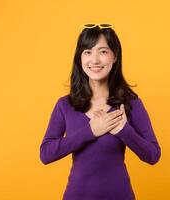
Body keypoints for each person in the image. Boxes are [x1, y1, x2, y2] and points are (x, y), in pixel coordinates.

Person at [39, 23, 161, 200]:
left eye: (103, 51)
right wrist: (91, 131)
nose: (94, 60)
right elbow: (46, 154)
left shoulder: (130, 103)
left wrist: (123, 130)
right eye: (87, 52)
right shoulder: (65, 105)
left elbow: (153, 155)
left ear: (114, 56)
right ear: (80, 58)